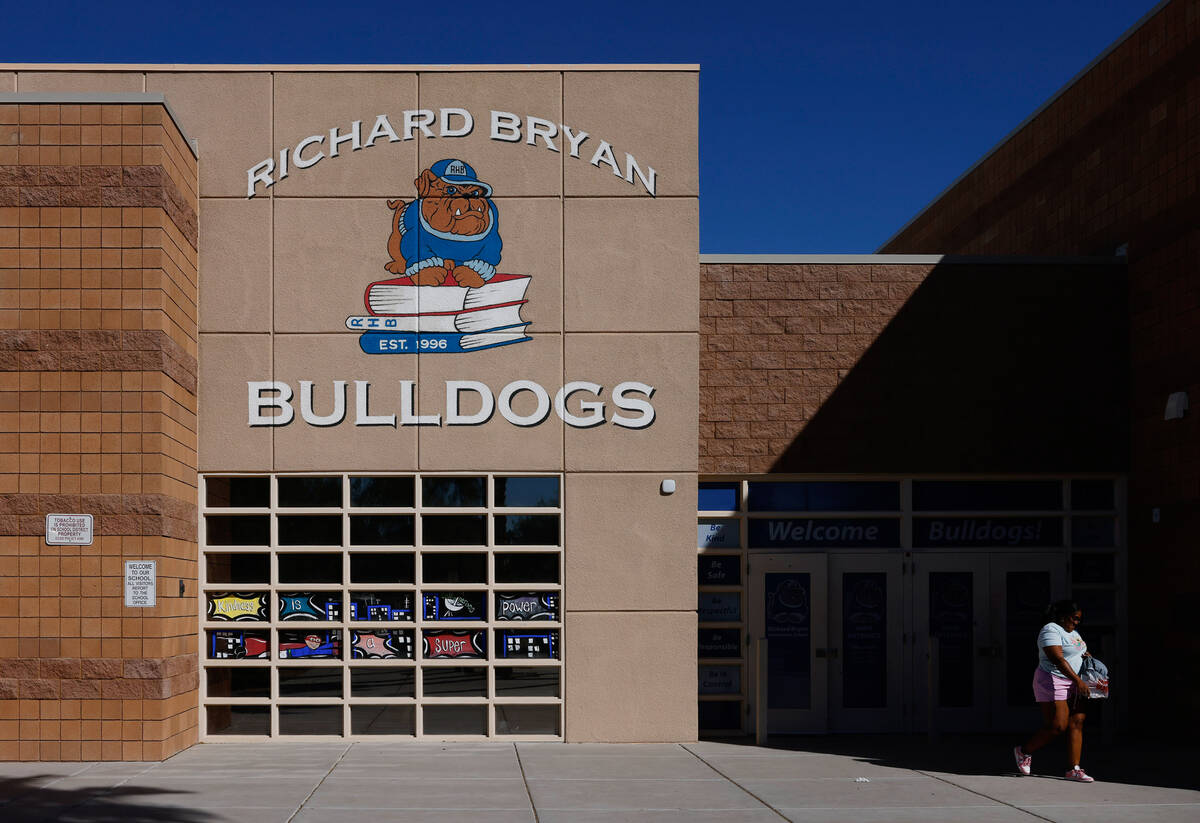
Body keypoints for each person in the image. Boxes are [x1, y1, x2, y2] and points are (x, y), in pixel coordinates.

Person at [1012, 600, 1094, 782]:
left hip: (1074, 681)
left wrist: (1085, 655)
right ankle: (1024, 751)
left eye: (1079, 620)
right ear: (1063, 616)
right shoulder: (1050, 630)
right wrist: (1078, 680)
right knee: (1057, 725)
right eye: (1074, 619)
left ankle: (1074, 769)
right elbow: (1056, 658)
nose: (1077, 623)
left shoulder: (1072, 632)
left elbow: (1077, 649)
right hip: (1053, 679)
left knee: (1078, 721)